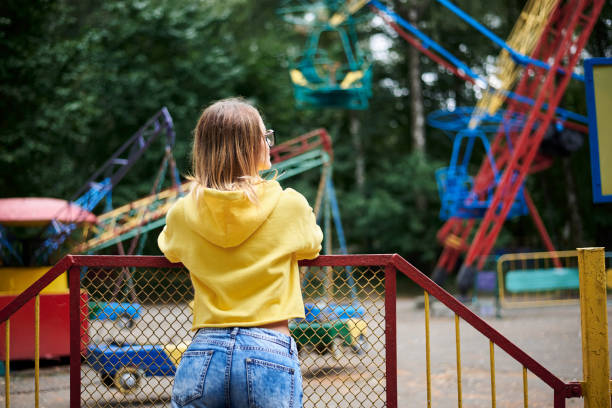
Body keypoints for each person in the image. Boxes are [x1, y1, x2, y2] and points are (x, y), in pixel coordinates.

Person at [158, 97, 323, 408]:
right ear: (248, 146)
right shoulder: (290, 204)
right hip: (268, 347)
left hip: (204, 350)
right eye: (265, 136)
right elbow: (312, 244)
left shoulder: (182, 212)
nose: (270, 143)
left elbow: (169, 250)